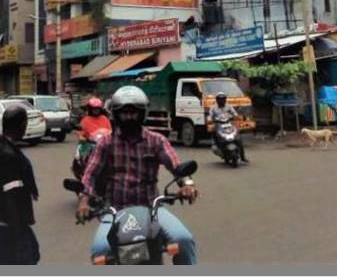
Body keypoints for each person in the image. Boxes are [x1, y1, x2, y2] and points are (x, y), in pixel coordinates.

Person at [78, 86, 199, 265]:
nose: (129, 117)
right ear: (116, 115)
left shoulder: (156, 140)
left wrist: (188, 184)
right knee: (100, 251)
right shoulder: (105, 143)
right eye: (124, 113)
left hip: (151, 209)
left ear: (143, 114)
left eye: (134, 113)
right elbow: (90, 174)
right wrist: (83, 202)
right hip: (115, 210)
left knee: (184, 240)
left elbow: (177, 166)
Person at [0, 104, 40, 265]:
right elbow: (11, 197)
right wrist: (18, 236)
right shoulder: (8, 155)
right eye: (25, 123)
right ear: (21, 125)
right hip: (7, 226)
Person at [209, 92, 249, 163]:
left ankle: (243, 157)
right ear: (217, 100)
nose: (221, 101)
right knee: (213, 131)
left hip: (229, 123)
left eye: (223, 99)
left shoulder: (229, 106)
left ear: (225, 99)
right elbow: (210, 115)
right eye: (219, 99)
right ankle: (216, 144)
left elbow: (234, 114)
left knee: (238, 138)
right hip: (218, 124)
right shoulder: (213, 108)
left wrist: (237, 117)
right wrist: (210, 119)